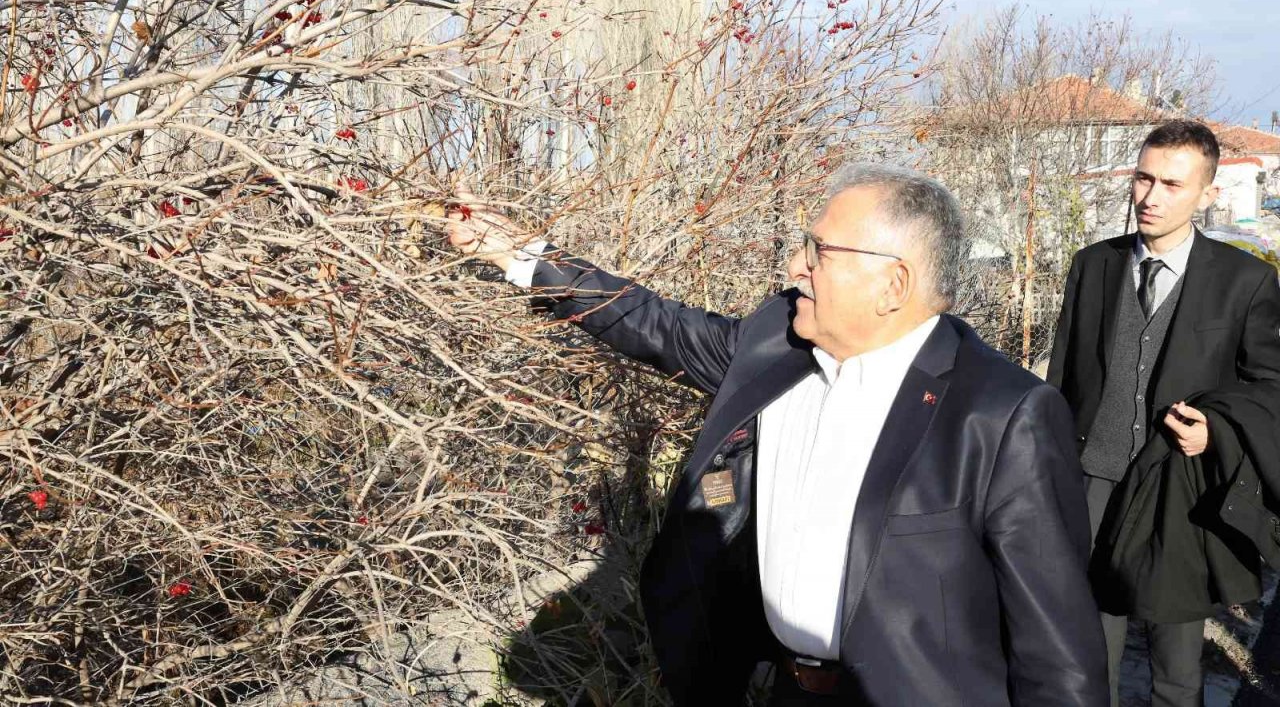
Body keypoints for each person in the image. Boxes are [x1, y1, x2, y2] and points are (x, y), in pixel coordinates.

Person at [448, 164, 1107, 706]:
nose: (796, 265)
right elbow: (651, 322)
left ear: (893, 282)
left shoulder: (1002, 413)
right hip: (778, 689)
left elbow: (1059, 655)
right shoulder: (775, 342)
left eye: (820, 250)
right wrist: (512, 251)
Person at [1048, 120, 1280, 707]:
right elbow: (1062, 378)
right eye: (1143, 178)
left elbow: (1269, 386)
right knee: (1089, 649)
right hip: (1093, 481)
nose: (1151, 197)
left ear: (1207, 193)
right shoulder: (1091, 265)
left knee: (1176, 665)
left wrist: (1218, 432)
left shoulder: (1246, 281)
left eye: (1172, 184)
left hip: (1180, 493)